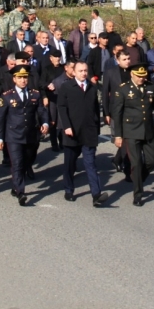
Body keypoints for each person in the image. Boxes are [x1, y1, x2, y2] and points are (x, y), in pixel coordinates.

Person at [111, 63, 154, 206]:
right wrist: (118, 135)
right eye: (138, 76)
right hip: (131, 131)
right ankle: (138, 194)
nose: (141, 79)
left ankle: (139, 178)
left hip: (148, 130)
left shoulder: (150, 87)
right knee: (136, 163)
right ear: (132, 75)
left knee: (152, 161)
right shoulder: (123, 89)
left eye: (143, 76)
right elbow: (117, 114)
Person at [0, 65, 49, 207]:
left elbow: (41, 111)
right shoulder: (7, 96)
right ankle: (21, 192)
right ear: (14, 79)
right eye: (20, 78)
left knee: (27, 161)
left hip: (30, 134)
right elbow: (1, 119)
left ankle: (15, 186)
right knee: (17, 163)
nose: (23, 80)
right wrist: (0, 138)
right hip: (13, 135)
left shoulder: (34, 94)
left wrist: (45, 123)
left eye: (25, 77)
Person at [58, 61, 109, 206]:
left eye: (85, 70)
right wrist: (66, 126)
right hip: (72, 132)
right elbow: (61, 107)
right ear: (74, 72)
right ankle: (69, 189)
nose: (84, 73)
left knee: (90, 164)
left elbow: (95, 109)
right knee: (70, 164)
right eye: (80, 71)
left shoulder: (92, 87)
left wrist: (96, 128)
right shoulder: (67, 87)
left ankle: (96, 195)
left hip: (89, 131)